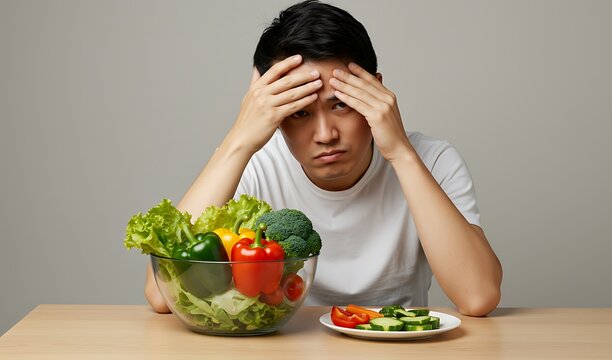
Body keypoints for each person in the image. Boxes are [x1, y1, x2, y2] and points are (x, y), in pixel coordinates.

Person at [145, 0, 502, 316]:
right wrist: (238, 140)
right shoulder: (254, 166)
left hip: (396, 347)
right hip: (286, 349)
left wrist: (400, 153)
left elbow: (478, 295)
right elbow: (161, 295)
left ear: (375, 92)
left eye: (342, 104)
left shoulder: (432, 159)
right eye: (299, 112)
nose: (325, 134)